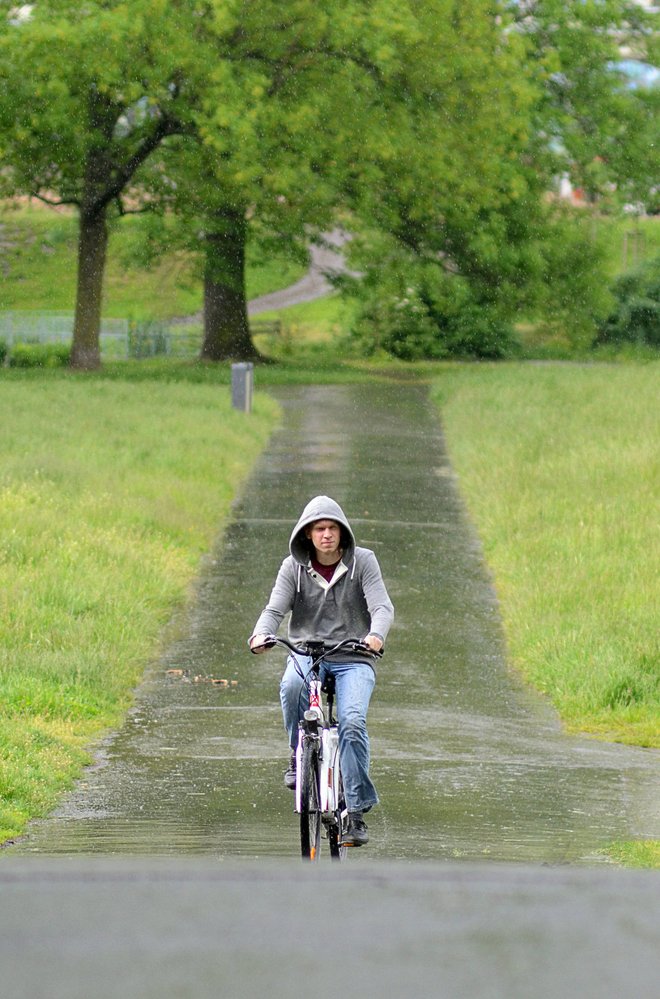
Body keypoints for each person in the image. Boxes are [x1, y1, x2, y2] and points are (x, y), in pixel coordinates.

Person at [249, 495, 394, 847]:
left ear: (342, 534)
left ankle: (356, 811)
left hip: (353, 656)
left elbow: (382, 607)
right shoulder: (292, 567)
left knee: (353, 720)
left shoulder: (364, 562)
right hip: (306, 653)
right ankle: (298, 756)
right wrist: (260, 633)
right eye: (319, 529)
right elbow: (274, 609)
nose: (326, 535)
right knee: (290, 688)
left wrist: (375, 636)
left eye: (332, 528)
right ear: (308, 535)